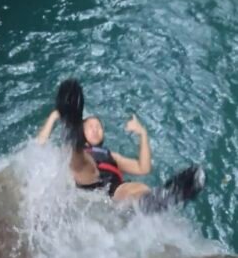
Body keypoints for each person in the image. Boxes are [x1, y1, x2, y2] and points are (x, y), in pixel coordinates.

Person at [38, 79, 205, 213]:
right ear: (82, 131)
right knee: (77, 158)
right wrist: (54, 117)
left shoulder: (112, 156)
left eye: (99, 127)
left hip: (113, 190)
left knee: (139, 188)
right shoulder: (74, 153)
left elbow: (143, 168)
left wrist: (143, 134)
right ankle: (70, 129)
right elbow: (38, 147)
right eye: (90, 126)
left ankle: (159, 199)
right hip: (87, 181)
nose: (96, 129)